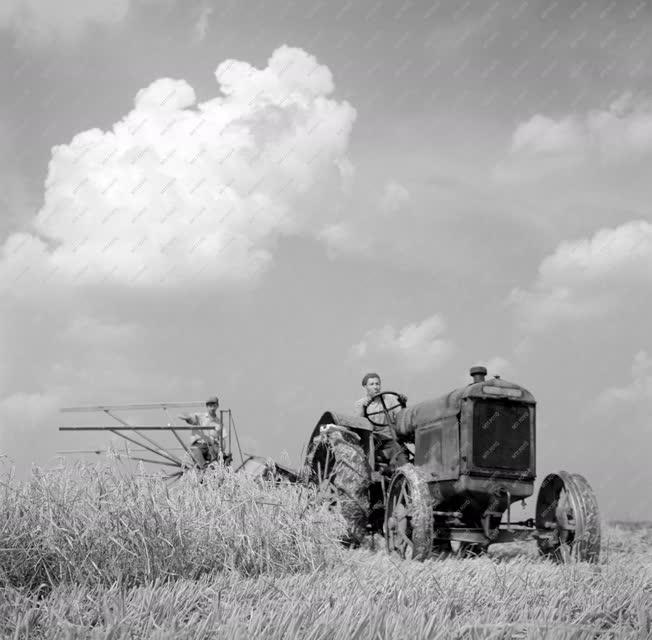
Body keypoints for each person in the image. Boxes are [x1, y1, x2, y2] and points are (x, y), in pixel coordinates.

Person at [354, 373, 409, 469]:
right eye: (372, 384)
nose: (375, 387)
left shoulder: (390, 399)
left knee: (401, 454)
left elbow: (401, 416)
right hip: (374, 442)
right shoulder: (360, 404)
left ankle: (401, 473)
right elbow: (358, 425)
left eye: (377, 384)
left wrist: (402, 404)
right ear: (365, 387)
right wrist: (362, 409)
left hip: (392, 438)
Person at [178, 395, 230, 465]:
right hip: (198, 445)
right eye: (210, 405)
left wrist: (222, 451)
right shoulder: (200, 417)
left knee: (221, 457)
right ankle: (204, 469)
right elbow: (187, 417)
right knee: (196, 452)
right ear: (207, 406)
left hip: (211, 447)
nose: (212, 407)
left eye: (214, 405)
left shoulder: (219, 422)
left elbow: (223, 439)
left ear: (217, 406)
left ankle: (217, 469)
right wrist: (187, 417)